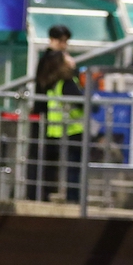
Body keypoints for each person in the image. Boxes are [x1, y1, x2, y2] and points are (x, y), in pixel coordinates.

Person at [37, 50, 84, 202]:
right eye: (67, 57)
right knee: (74, 168)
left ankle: (51, 195)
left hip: (56, 131)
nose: (72, 59)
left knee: (62, 168)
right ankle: (73, 199)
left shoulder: (53, 83)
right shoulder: (68, 83)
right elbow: (82, 103)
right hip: (73, 130)